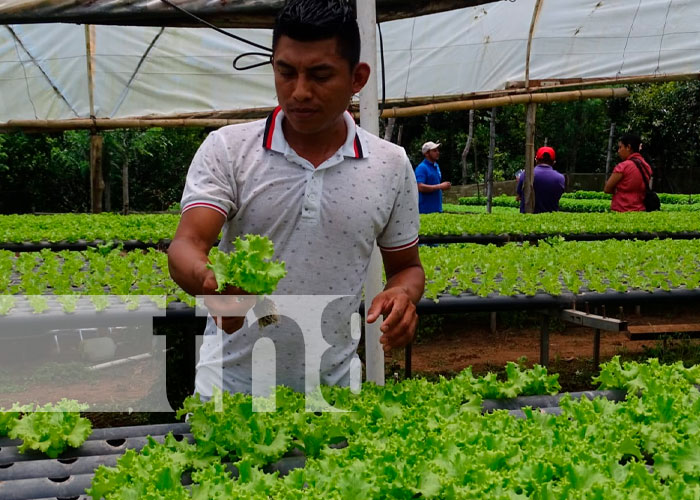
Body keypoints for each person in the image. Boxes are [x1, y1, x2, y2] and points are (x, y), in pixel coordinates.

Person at [167, 0, 425, 397]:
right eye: (286, 72)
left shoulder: (389, 165)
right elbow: (187, 244)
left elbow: (407, 267)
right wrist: (209, 282)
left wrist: (402, 296)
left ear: (358, 78)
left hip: (335, 391)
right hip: (229, 391)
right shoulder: (229, 149)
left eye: (320, 75)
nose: (300, 91)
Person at [604, 133, 652, 212]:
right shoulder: (646, 166)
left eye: (620, 147)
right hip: (641, 210)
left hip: (621, 210)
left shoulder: (623, 167)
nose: (618, 151)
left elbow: (607, 189)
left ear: (628, 147)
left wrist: (617, 189)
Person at [516, 146, 565, 213]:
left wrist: (520, 181)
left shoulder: (526, 175)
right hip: (551, 220)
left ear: (536, 159)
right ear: (554, 162)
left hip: (527, 220)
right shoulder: (560, 178)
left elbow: (519, 197)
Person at [415, 141, 451, 214]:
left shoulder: (436, 166)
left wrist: (443, 187)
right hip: (425, 211)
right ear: (427, 154)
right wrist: (440, 186)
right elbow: (419, 187)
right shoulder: (422, 168)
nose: (438, 152)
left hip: (437, 209)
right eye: (434, 151)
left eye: (438, 150)